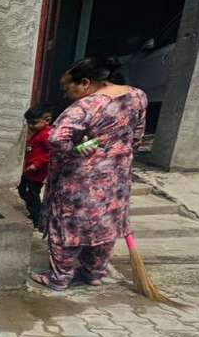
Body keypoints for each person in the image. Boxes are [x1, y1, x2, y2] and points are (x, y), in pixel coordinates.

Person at [32, 57, 147, 291]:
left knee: (67, 225)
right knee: (105, 223)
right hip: (117, 177)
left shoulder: (86, 106)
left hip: (81, 179)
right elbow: (137, 135)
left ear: (85, 82)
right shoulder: (137, 96)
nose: (66, 94)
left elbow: (56, 137)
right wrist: (117, 154)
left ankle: (60, 278)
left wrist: (74, 152)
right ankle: (93, 273)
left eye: (68, 88)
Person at [18, 106, 52, 226]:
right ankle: (35, 213)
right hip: (29, 171)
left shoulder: (46, 134)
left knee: (33, 195)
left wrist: (36, 165)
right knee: (23, 190)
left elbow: (51, 153)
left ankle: (37, 219)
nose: (31, 126)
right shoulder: (38, 133)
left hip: (37, 173)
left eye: (34, 123)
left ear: (47, 120)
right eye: (29, 123)